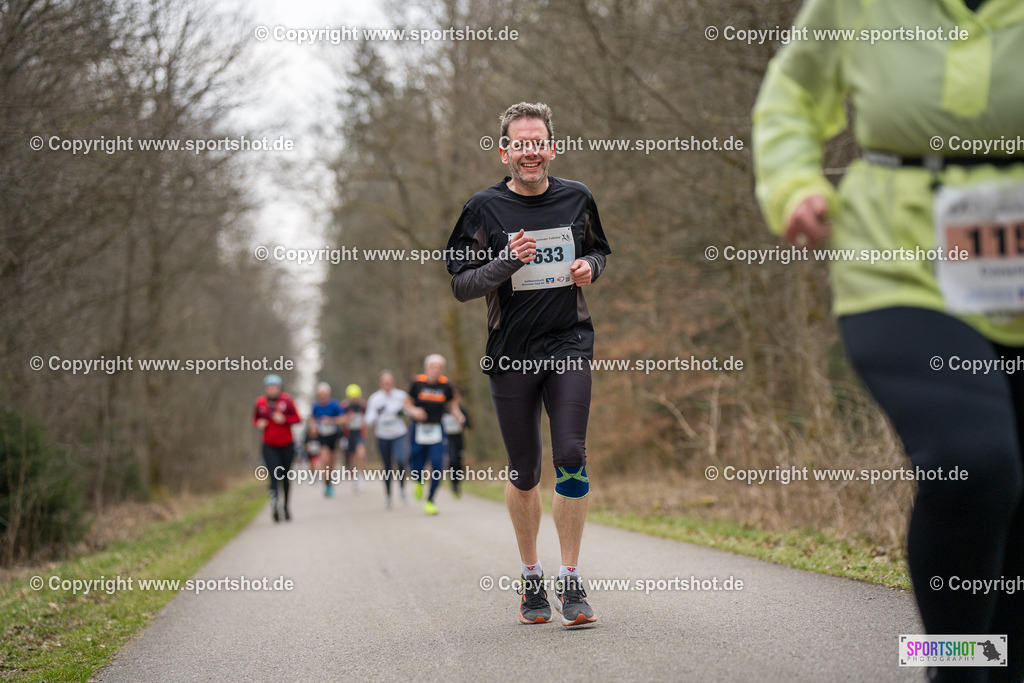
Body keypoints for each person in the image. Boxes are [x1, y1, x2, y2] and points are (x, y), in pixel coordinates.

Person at [752, 3, 1024, 680]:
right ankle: (952, 667)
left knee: (1014, 490)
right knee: (972, 462)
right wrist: (793, 183)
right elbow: (792, 91)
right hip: (896, 259)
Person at [446, 102, 611, 626]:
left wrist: (589, 267)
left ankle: (570, 577)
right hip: (511, 354)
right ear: (505, 153)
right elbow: (461, 284)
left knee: (571, 455)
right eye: (521, 144)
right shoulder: (483, 208)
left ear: (551, 148)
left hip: (568, 344)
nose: (530, 152)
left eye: (538, 142)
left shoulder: (577, 197)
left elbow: (599, 252)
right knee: (524, 471)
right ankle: (531, 576)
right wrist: (507, 261)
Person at [404, 354, 464, 515]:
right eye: (433, 367)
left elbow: (453, 405)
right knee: (416, 463)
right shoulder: (417, 383)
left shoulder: (446, 385)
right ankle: (418, 481)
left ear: (442, 370)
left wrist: (458, 415)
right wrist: (414, 411)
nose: (436, 370)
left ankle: (430, 500)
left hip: (437, 429)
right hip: (418, 429)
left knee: (438, 464)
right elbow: (407, 403)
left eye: (439, 367)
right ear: (426, 368)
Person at [253, 374, 301, 522]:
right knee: (274, 477)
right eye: (270, 387)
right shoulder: (260, 403)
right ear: (266, 389)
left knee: (285, 477)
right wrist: (259, 424)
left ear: (279, 388)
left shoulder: (287, 400)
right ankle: (275, 507)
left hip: (286, 445)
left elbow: (297, 418)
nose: (272, 390)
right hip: (269, 445)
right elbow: (255, 418)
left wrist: (285, 419)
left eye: (275, 387)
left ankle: (286, 506)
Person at [365, 370, 411, 508]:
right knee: (387, 466)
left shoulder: (401, 395)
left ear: (393, 383)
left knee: (401, 460)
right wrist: (377, 413)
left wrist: (401, 412)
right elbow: (368, 419)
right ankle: (388, 496)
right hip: (382, 436)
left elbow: (409, 411)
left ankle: (402, 488)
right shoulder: (375, 398)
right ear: (381, 384)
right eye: (385, 383)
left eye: (389, 383)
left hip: (399, 434)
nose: (387, 385)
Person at [310, 382, 344, 497]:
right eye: (320, 394)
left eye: (324, 394)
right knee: (324, 459)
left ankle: (329, 481)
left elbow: (343, 419)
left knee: (331, 461)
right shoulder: (315, 406)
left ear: (328, 394)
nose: (322, 396)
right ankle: (326, 484)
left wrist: (330, 421)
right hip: (322, 437)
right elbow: (313, 419)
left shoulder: (334, 405)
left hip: (333, 436)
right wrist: (313, 427)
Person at [441, 385, 471, 499]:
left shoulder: (462, 409)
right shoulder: (443, 409)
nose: (455, 397)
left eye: (457, 395)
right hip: (446, 438)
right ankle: (453, 484)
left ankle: (457, 483)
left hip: (458, 438)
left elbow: (469, 425)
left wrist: (462, 420)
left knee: (458, 461)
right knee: (452, 460)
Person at [341, 383, 368, 493]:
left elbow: (369, 417)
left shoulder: (364, 406)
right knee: (352, 458)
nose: (355, 399)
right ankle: (354, 477)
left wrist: (365, 421)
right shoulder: (344, 406)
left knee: (361, 454)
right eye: (352, 397)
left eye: (356, 396)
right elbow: (340, 420)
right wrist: (347, 418)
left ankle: (361, 476)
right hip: (349, 435)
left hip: (360, 433)